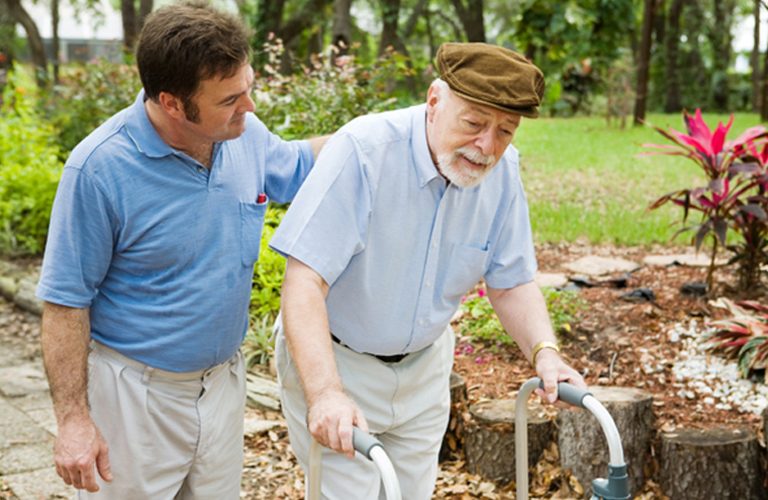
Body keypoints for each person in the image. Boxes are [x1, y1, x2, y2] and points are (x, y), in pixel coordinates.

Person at [35, 2, 328, 497]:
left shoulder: (244, 135)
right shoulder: (99, 169)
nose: (249, 107)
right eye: (230, 99)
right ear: (172, 104)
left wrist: (383, 137)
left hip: (222, 386)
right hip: (135, 398)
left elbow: (301, 165)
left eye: (248, 88)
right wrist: (73, 421)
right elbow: (65, 302)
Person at [270, 42, 585, 498]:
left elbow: (511, 281)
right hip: (339, 363)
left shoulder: (503, 171)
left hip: (424, 370)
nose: (487, 146)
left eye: (505, 131)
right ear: (434, 101)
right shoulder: (363, 150)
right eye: (474, 123)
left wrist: (546, 354)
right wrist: (325, 393)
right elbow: (304, 280)